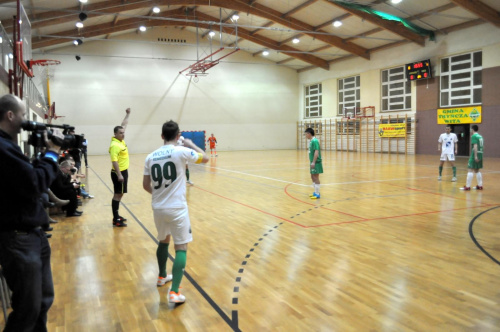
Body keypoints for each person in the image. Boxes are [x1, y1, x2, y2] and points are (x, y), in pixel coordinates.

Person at [0, 94, 63, 331]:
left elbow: (27, 179)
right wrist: (52, 153)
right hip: (18, 239)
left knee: (42, 301)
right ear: (10, 115)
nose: (27, 119)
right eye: (24, 114)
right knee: (28, 308)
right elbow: (34, 184)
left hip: (32, 235)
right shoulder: (3, 147)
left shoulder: (10, 146)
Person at [143, 120, 209, 304]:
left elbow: (146, 185)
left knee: (163, 241)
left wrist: (160, 196)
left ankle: (162, 276)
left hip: (158, 207)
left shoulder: (150, 156)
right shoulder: (181, 151)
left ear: (162, 135)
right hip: (177, 207)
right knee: (181, 247)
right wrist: (191, 144)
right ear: (178, 135)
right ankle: (174, 292)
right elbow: (205, 158)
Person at [109, 108, 131, 227]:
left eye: (123, 132)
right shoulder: (115, 145)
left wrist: (127, 114)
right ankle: (115, 218)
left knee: (120, 194)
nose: (123, 134)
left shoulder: (120, 141)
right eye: (121, 133)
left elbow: (124, 124)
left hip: (123, 171)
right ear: (115, 134)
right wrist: (119, 174)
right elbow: (114, 161)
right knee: (117, 194)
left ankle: (117, 215)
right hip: (119, 173)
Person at [461, 125, 484, 190]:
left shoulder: (473, 136)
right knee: (477, 170)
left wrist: (475, 156)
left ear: (472, 129)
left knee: (470, 169)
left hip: (475, 153)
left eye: (471, 129)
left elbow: (475, 146)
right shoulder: (480, 136)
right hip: (481, 153)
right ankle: (480, 185)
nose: (470, 130)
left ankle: (467, 187)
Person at [305, 127, 322, 199]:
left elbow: (316, 152)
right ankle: (315, 192)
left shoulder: (315, 141)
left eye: (306, 134)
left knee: (315, 177)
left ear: (309, 134)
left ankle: (317, 193)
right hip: (312, 162)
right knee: (312, 176)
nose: (305, 136)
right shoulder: (311, 141)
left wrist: (314, 162)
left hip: (316, 162)